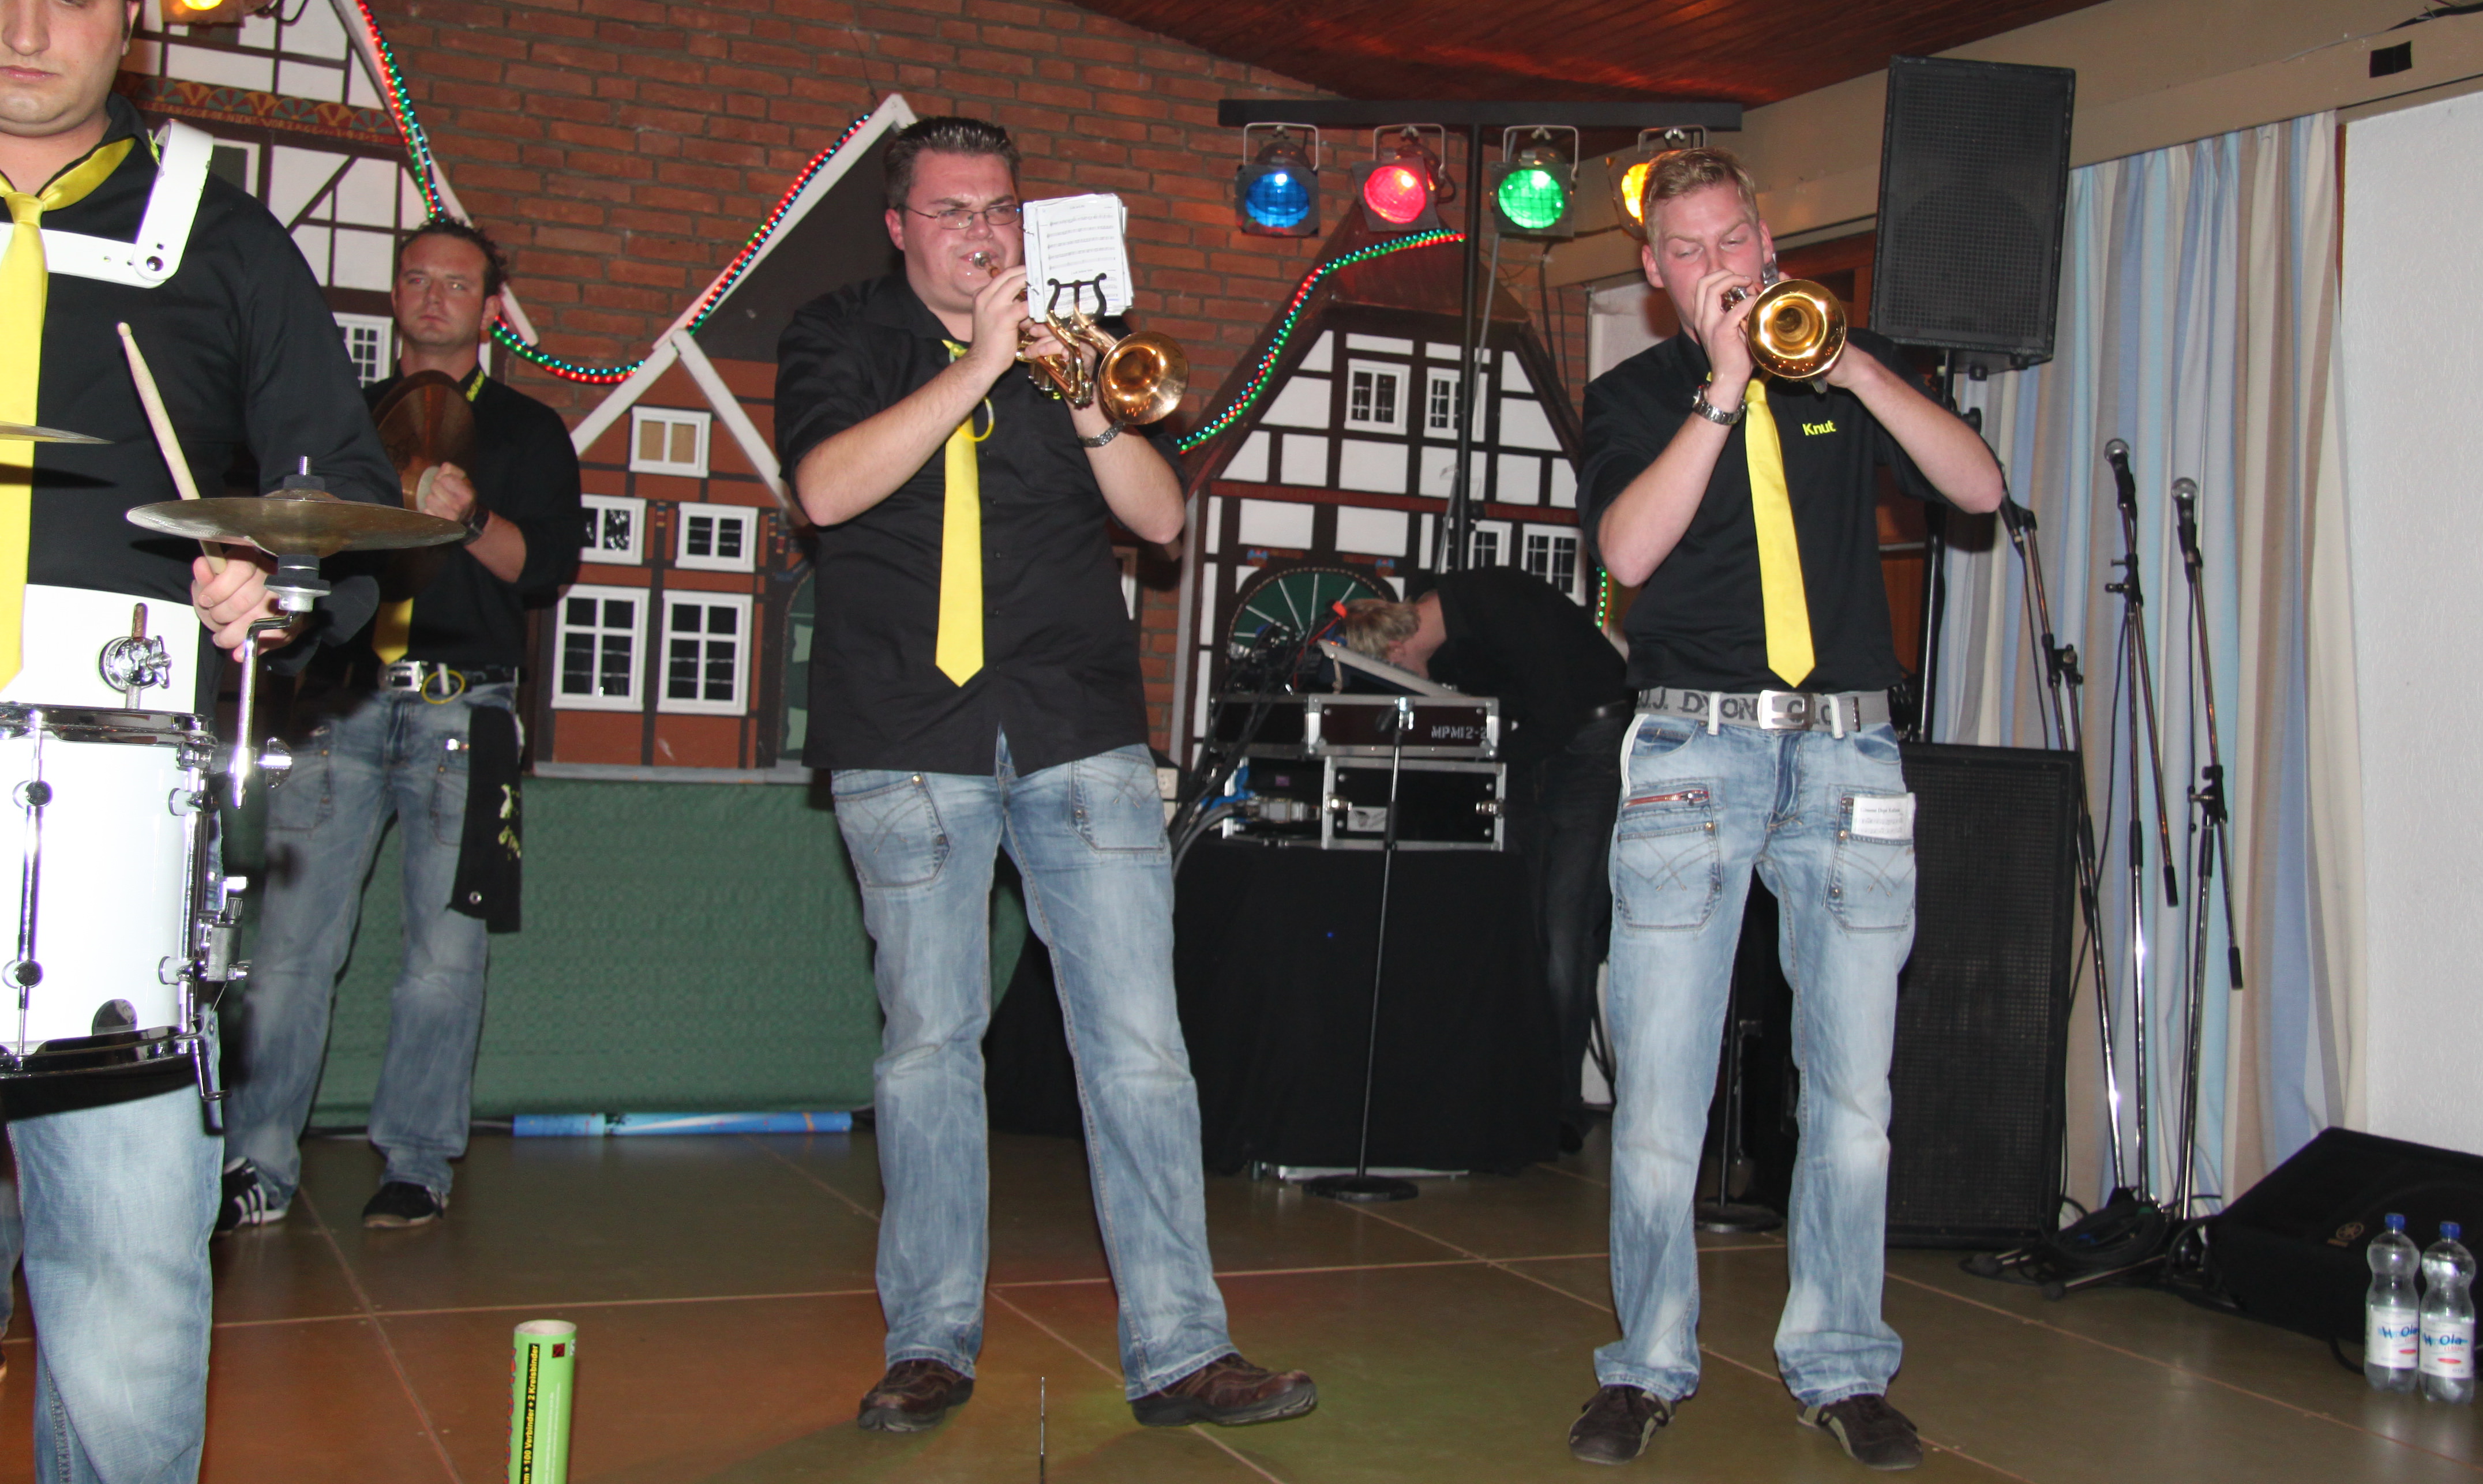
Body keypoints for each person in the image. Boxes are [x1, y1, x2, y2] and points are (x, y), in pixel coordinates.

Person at [777, 114, 1315, 1437]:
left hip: (1078, 728)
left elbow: (1161, 517)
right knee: (928, 1046)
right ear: (898, 226)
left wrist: (1075, 393)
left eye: (1000, 209)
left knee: (1139, 1047)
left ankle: (1182, 1349)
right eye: (952, 211)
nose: (981, 233)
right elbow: (827, 492)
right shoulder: (837, 334)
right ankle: (928, 1343)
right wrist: (976, 364)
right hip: (909, 734)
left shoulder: (1079, 341)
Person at [0, 0, 397, 1482]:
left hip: (106, 846)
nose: (25, 26)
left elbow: (345, 520)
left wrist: (275, 586)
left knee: (126, 1292)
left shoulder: (221, 242)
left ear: (129, 21)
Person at [1566, 150, 2004, 1470]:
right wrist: (1721, 388)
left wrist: (1855, 368)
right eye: (1688, 249)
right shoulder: (1637, 394)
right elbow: (1626, 554)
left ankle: (1842, 1362)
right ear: (1656, 273)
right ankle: (1646, 1363)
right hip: (1691, 752)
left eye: (1733, 238)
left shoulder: (1842, 367)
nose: (1718, 265)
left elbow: (1977, 490)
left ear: (1767, 241)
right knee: (1660, 1094)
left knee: (1853, 1095)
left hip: (1847, 754)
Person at [218, 219, 581, 1234]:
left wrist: (467, 517)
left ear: (491, 308)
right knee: (288, 951)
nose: (433, 296)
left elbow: (545, 570)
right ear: (394, 295)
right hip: (339, 701)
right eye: (416, 278)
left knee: (444, 958)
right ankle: (255, 1163)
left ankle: (417, 1162)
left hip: (466, 705)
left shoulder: (527, 430)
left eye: (457, 283)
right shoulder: (344, 419)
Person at [1342, 566, 1629, 1140]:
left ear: (1397, 649)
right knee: (1520, 920)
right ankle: (1517, 1090)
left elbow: (1552, 711)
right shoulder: (1447, 642)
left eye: (1396, 673)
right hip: (1544, 747)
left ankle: (1558, 1104)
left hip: (1592, 741)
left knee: (1564, 927)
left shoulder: (1495, 599)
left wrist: (1486, 764)